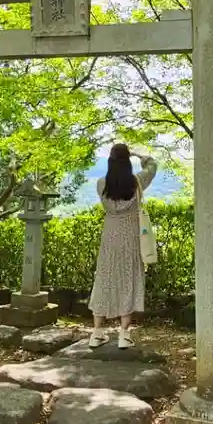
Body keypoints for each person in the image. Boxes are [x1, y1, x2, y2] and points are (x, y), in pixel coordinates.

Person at [89, 144, 157, 348]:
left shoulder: (101, 184)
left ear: (110, 161)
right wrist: (139, 155)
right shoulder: (137, 182)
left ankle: (97, 333)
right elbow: (152, 166)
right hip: (131, 235)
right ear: (128, 161)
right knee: (129, 279)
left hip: (110, 236)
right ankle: (124, 335)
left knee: (104, 279)